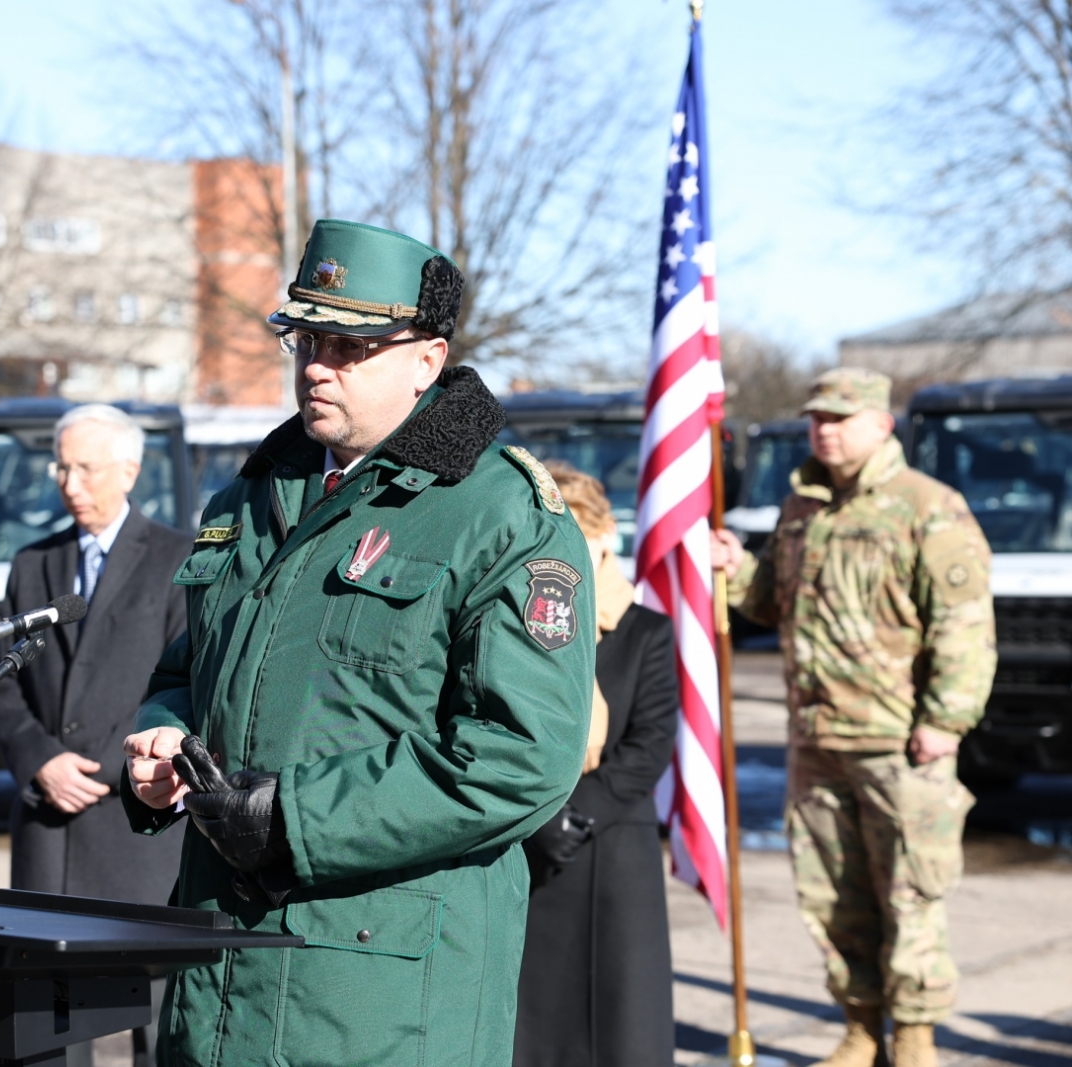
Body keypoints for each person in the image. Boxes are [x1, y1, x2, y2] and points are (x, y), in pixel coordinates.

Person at [120, 219, 596, 1067]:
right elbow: (188, 668)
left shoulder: (499, 514)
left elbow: (521, 758)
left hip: (379, 1002)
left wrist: (294, 820)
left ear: (427, 359)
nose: (315, 365)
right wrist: (163, 731)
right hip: (218, 980)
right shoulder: (250, 496)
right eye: (306, 338)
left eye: (350, 346)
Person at [710, 368, 996, 1067]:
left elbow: (964, 626)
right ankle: (862, 1028)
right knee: (834, 897)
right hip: (815, 739)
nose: (824, 429)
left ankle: (918, 1038)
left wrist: (946, 719)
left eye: (840, 417)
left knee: (912, 896)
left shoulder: (929, 507)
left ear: (881, 424)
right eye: (816, 417)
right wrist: (736, 567)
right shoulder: (801, 507)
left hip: (901, 744)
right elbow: (771, 602)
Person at [0, 403, 193, 1067]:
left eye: (87, 467)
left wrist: (105, 768)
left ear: (129, 471)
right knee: (51, 1027)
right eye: (62, 467)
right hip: (50, 830)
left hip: (137, 826)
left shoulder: (177, 559)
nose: (70, 483)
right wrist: (41, 759)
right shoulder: (32, 565)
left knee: (155, 1031)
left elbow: (183, 682)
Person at [512, 466, 678, 1067]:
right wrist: (536, 816)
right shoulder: (517, 626)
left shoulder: (646, 632)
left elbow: (650, 743)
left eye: (579, 536)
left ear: (606, 536)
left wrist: (575, 814)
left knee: (619, 1020)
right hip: (523, 837)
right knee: (530, 1019)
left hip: (609, 844)